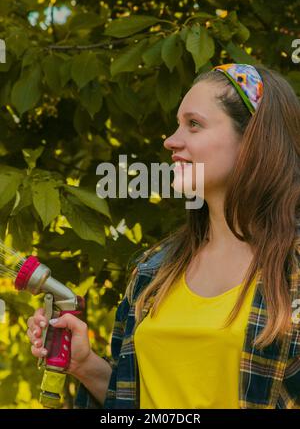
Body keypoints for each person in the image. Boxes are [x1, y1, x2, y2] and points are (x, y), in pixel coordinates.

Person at [26, 63, 300, 409]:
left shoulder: (293, 272)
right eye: (177, 125)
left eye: (194, 125)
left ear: (253, 140)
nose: (171, 141)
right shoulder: (153, 269)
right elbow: (131, 401)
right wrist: (84, 365)